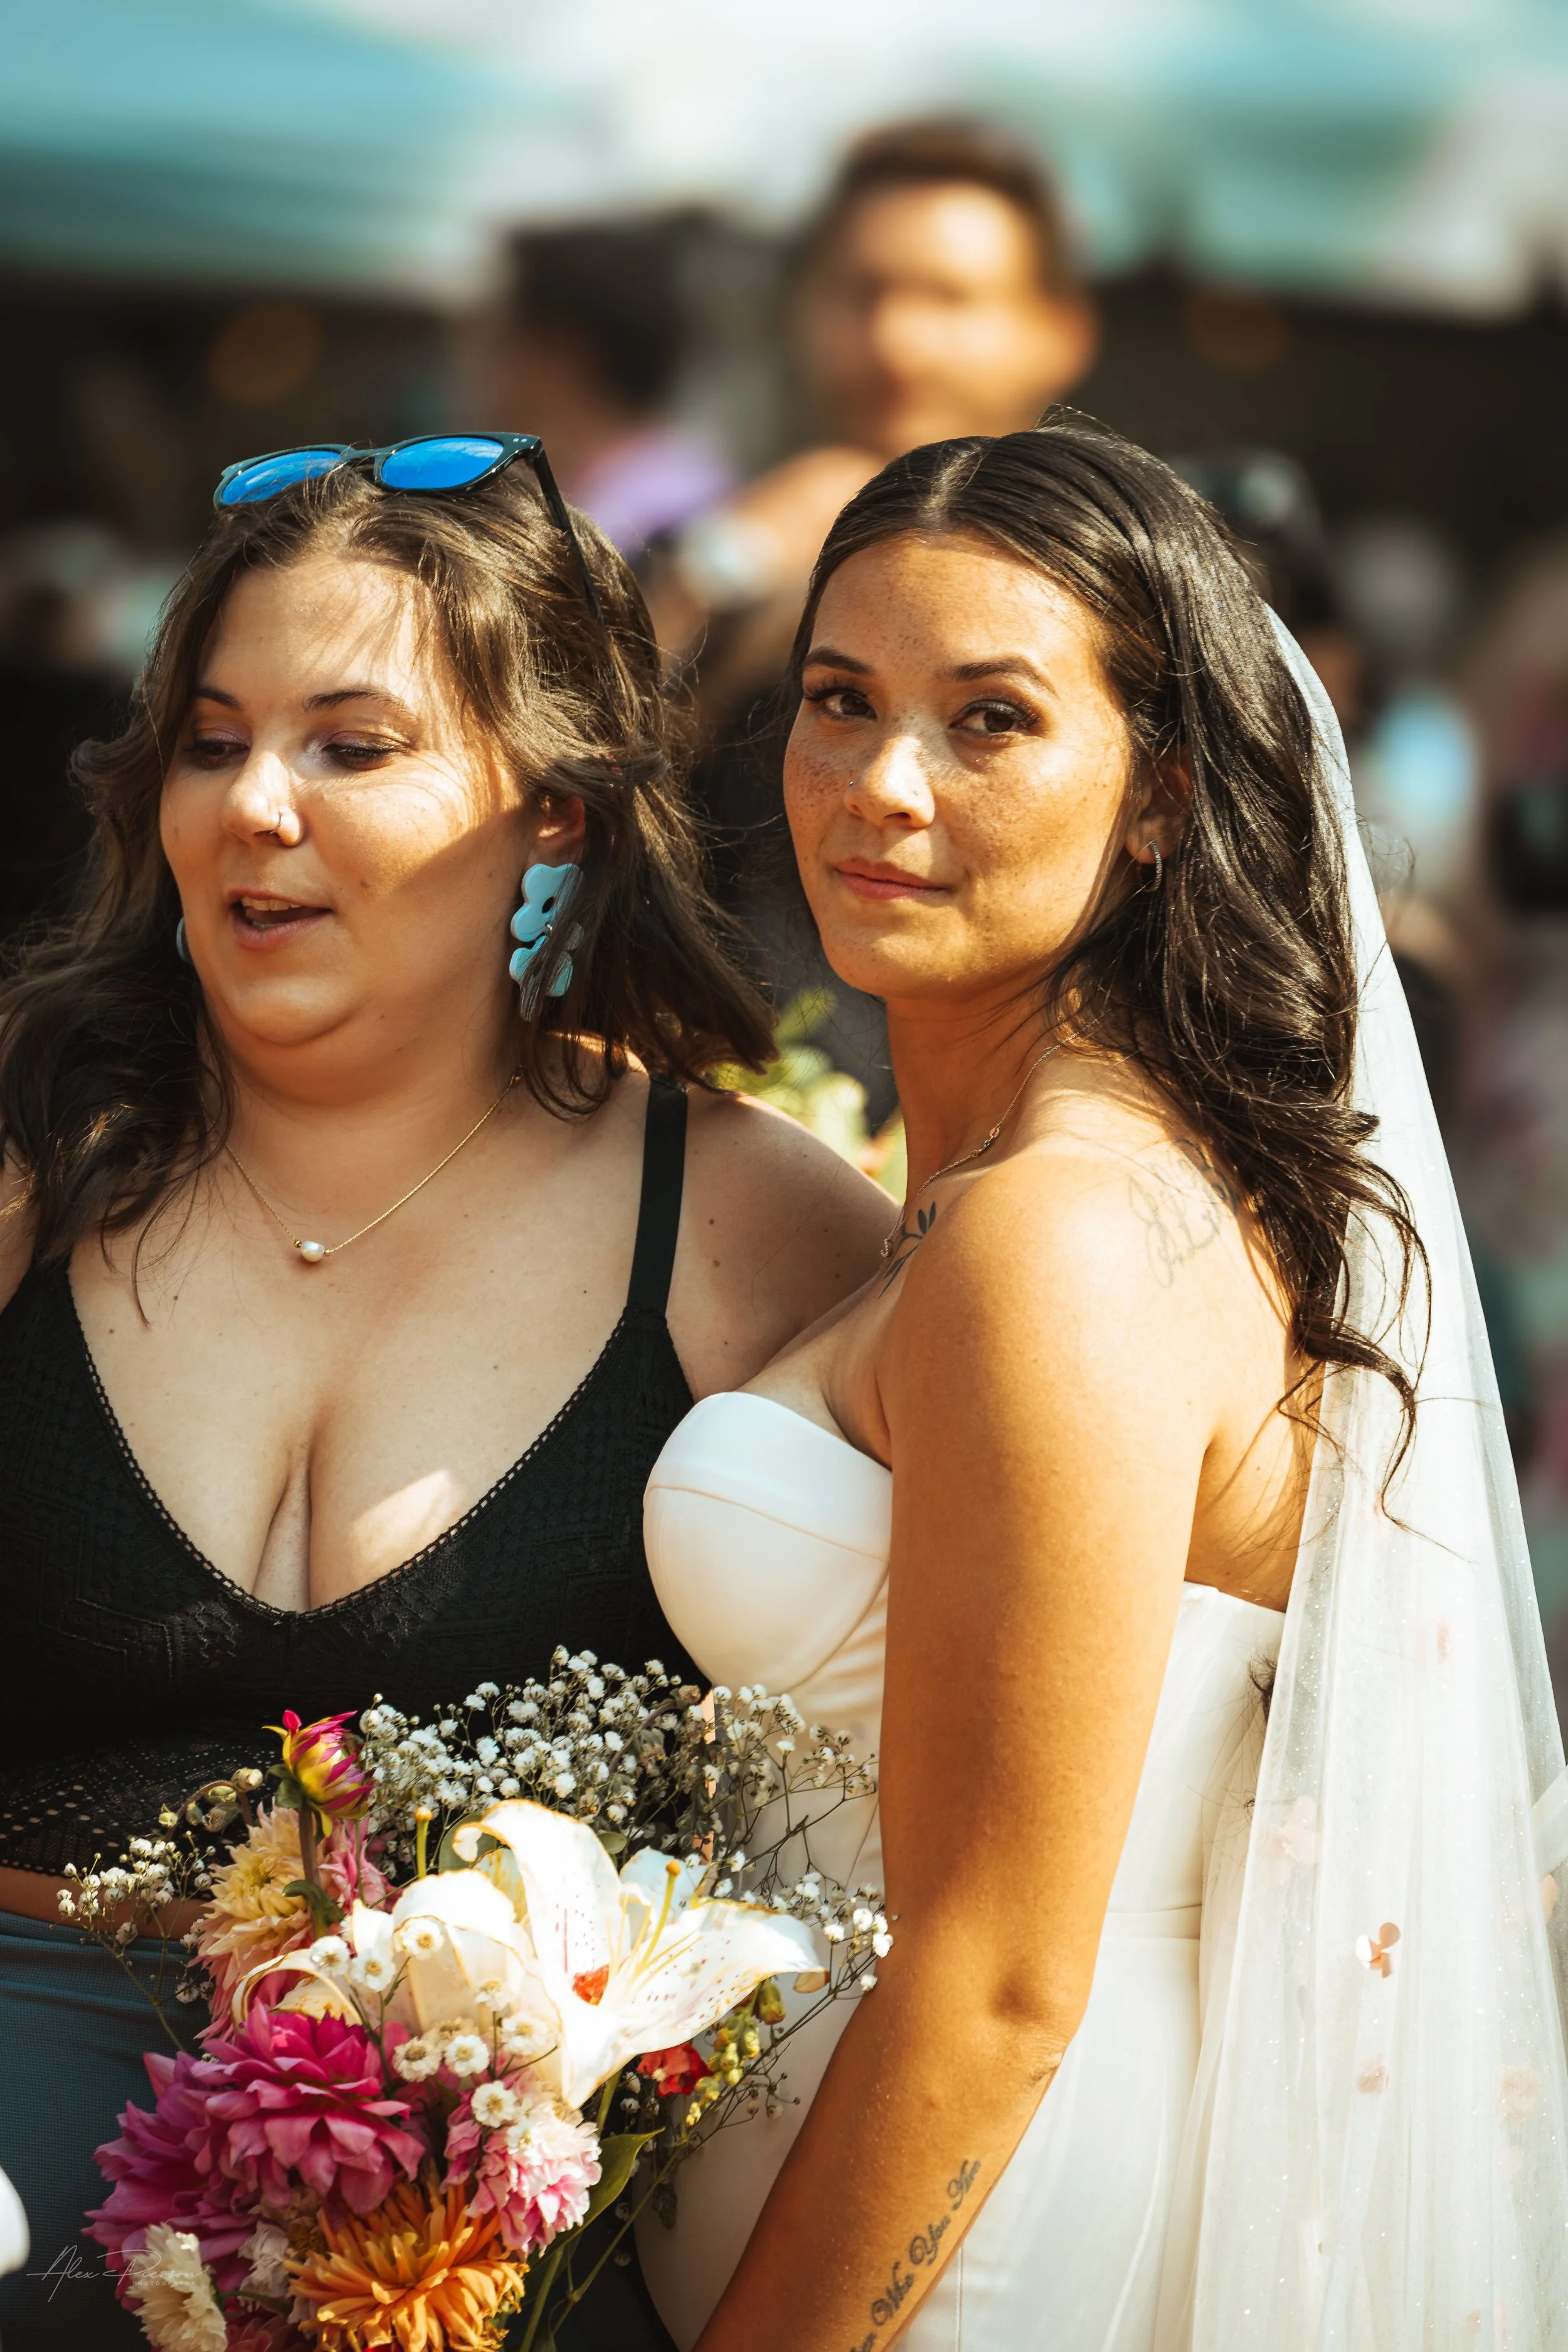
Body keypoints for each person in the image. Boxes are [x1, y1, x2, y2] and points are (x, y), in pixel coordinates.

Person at [638, 425, 1568, 2348]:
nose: (877, 784)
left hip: (977, 2238)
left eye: (988, 720)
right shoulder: (1003, 1192)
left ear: (1154, 799)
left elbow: (994, 1977)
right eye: (836, 701)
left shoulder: (1058, 1237)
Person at [0, 433, 889, 2350]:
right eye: (213, 739)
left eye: (349, 744)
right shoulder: (28, 1169)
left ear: (551, 807)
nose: (253, 806)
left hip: (494, 2270)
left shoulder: (750, 1223)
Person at [669, 116, 1099, 1123]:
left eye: (949, 299)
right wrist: (721, 571)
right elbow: (564, 787)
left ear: (1059, 330)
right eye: (862, 293)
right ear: (803, 312)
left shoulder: (1123, 591)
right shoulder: (724, 552)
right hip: (740, 1131)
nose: (896, 341)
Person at [487, 221, 734, 569]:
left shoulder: (653, 524)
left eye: (502, 338)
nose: (489, 366)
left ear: (560, 356)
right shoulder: (694, 487)